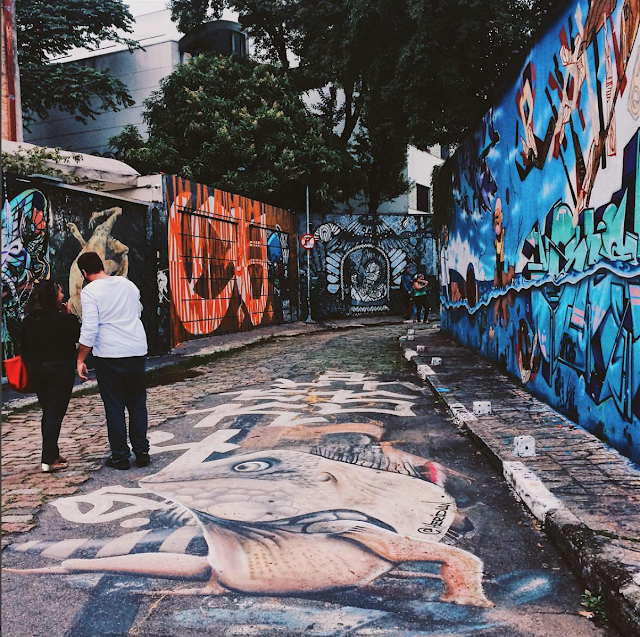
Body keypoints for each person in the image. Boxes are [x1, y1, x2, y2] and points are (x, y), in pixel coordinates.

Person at [76, 252, 150, 470]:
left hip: (109, 354)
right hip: (136, 348)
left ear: (84, 272)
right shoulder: (127, 284)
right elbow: (137, 312)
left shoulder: (90, 292)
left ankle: (120, 456)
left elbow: (90, 327)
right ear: (102, 266)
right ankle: (142, 451)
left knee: (115, 406)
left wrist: (81, 358)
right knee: (137, 403)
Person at [21, 280, 80, 473]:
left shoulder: (29, 320)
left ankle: (52, 452)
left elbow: (23, 348)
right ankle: (47, 459)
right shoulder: (60, 318)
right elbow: (74, 336)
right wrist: (70, 316)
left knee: (48, 411)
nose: (63, 295)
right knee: (55, 413)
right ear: (53, 296)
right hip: (59, 370)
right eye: (61, 292)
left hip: (37, 370)